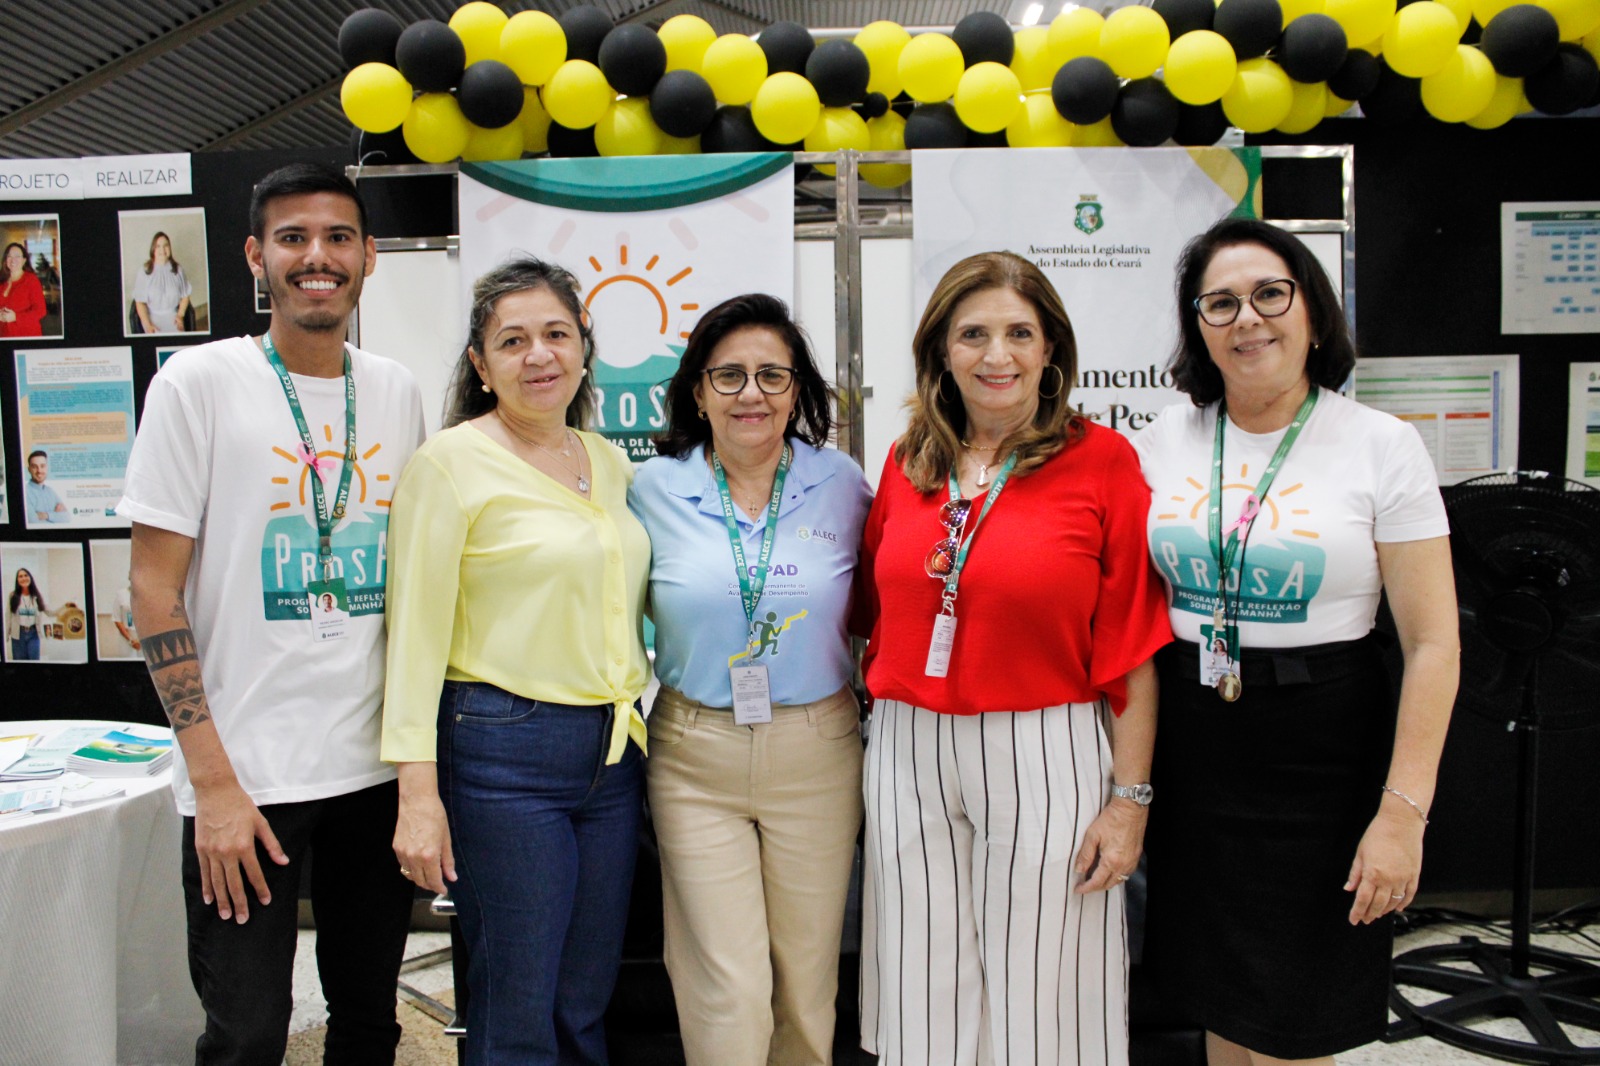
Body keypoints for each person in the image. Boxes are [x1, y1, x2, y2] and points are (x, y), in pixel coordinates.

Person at [119, 162, 426, 1066]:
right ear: (258, 257)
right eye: (293, 238)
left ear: (370, 255)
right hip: (246, 782)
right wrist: (211, 785)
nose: (316, 257)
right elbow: (150, 590)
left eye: (337, 237)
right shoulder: (196, 384)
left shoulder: (396, 390)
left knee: (368, 1019)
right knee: (247, 1032)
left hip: (370, 775)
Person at [1131, 217, 1459, 1065]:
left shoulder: (1383, 445)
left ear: (1311, 308)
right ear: (1197, 326)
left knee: (1298, 1012)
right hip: (1195, 746)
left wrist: (1403, 813)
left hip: (1325, 751)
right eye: (1221, 302)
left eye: (1270, 294)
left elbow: (1432, 643)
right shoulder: (1165, 438)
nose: (1248, 319)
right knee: (1216, 997)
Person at [857, 251, 1172, 1066]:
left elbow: (1133, 645)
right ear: (941, 353)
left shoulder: (1102, 461)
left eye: (1019, 333)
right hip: (905, 745)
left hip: (1044, 743)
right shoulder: (906, 463)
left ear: (1050, 351)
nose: (997, 355)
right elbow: (870, 610)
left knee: (1047, 990)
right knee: (919, 979)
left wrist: (1129, 801)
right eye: (973, 334)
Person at [383, 257, 649, 1066]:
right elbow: (414, 635)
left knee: (585, 996)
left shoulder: (605, 461)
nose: (539, 355)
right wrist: (418, 796)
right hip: (503, 755)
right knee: (518, 1006)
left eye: (557, 334)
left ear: (583, 347)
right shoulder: (450, 463)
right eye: (513, 340)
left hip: (613, 757)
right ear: (480, 364)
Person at [626, 294, 872, 1066]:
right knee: (724, 986)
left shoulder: (844, 485)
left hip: (818, 748)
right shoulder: (652, 489)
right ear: (697, 391)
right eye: (728, 376)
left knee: (805, 983)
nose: (751, 394)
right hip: (694, 752)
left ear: (797, 388)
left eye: (772, 374)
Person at [132, 230, 194, 333]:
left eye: (166, 245)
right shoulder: (144, 271)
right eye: (158, 246)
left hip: (173, 317)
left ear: (170, 248)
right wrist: (148, 325)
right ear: (153, 249)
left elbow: (185, 296)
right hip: (152, 318)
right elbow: (139, 303)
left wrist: (180, 315)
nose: (162, 250)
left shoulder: (178, 270)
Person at [0, 241, 46, 337]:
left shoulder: (31, 280)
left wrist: (16, 317)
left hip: (26, 334)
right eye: (9, 256)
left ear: (24, 260)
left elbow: (41, 310)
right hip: (4, 335)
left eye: (17, 256)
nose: (13, 260)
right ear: (5, 259)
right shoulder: (2, 280)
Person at [8, 568, 47, 661]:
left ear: (30, 577)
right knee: (19, 664)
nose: (23, 578)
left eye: (26, 575)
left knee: (34, 663)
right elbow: (7, 616)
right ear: (17, 580)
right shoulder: (13, 595)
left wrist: (64, 609)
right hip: (18, 634)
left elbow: (48, 610)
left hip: (33, 634)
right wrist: (5, 635)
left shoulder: (37, 595)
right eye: (20, 576)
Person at [25, 450, 69, 524]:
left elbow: (67, 517)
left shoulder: (50, 491)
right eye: (34, 467)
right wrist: (55, 515)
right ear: (29, 469)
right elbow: (33, 522)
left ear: (46, 467)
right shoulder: (24, 492)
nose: (39, 471)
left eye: (42, 466)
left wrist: (46, 515)